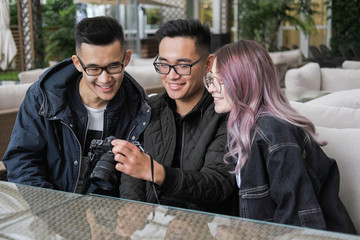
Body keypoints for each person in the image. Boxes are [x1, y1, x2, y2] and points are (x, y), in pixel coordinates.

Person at [204, 39, 357, 234]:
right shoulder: (243, 128)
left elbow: (299, 224)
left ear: (244, 81)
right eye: (210, 79)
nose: (211, 88)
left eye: (220, 80)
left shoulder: (275, 135)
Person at [3, 16, 150, 197]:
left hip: (110, 215)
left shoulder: (140, 108)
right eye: (94, 69)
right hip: (49, 211)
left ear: (126, 59)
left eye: (113, 66)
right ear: (77, 63)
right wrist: (55, 211)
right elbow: (22, 160)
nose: (105, 79)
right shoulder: (42, 97)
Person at [110, 19, 236, 215]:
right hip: (152, 225)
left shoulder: (224, 114)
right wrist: (132, 210)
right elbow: (131, 172)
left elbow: (217, 185)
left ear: (207, 64)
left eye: (183, 66)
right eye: (164, 64)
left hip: (205, 226)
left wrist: (156, 172)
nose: (171, 75)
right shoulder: (148, 110)